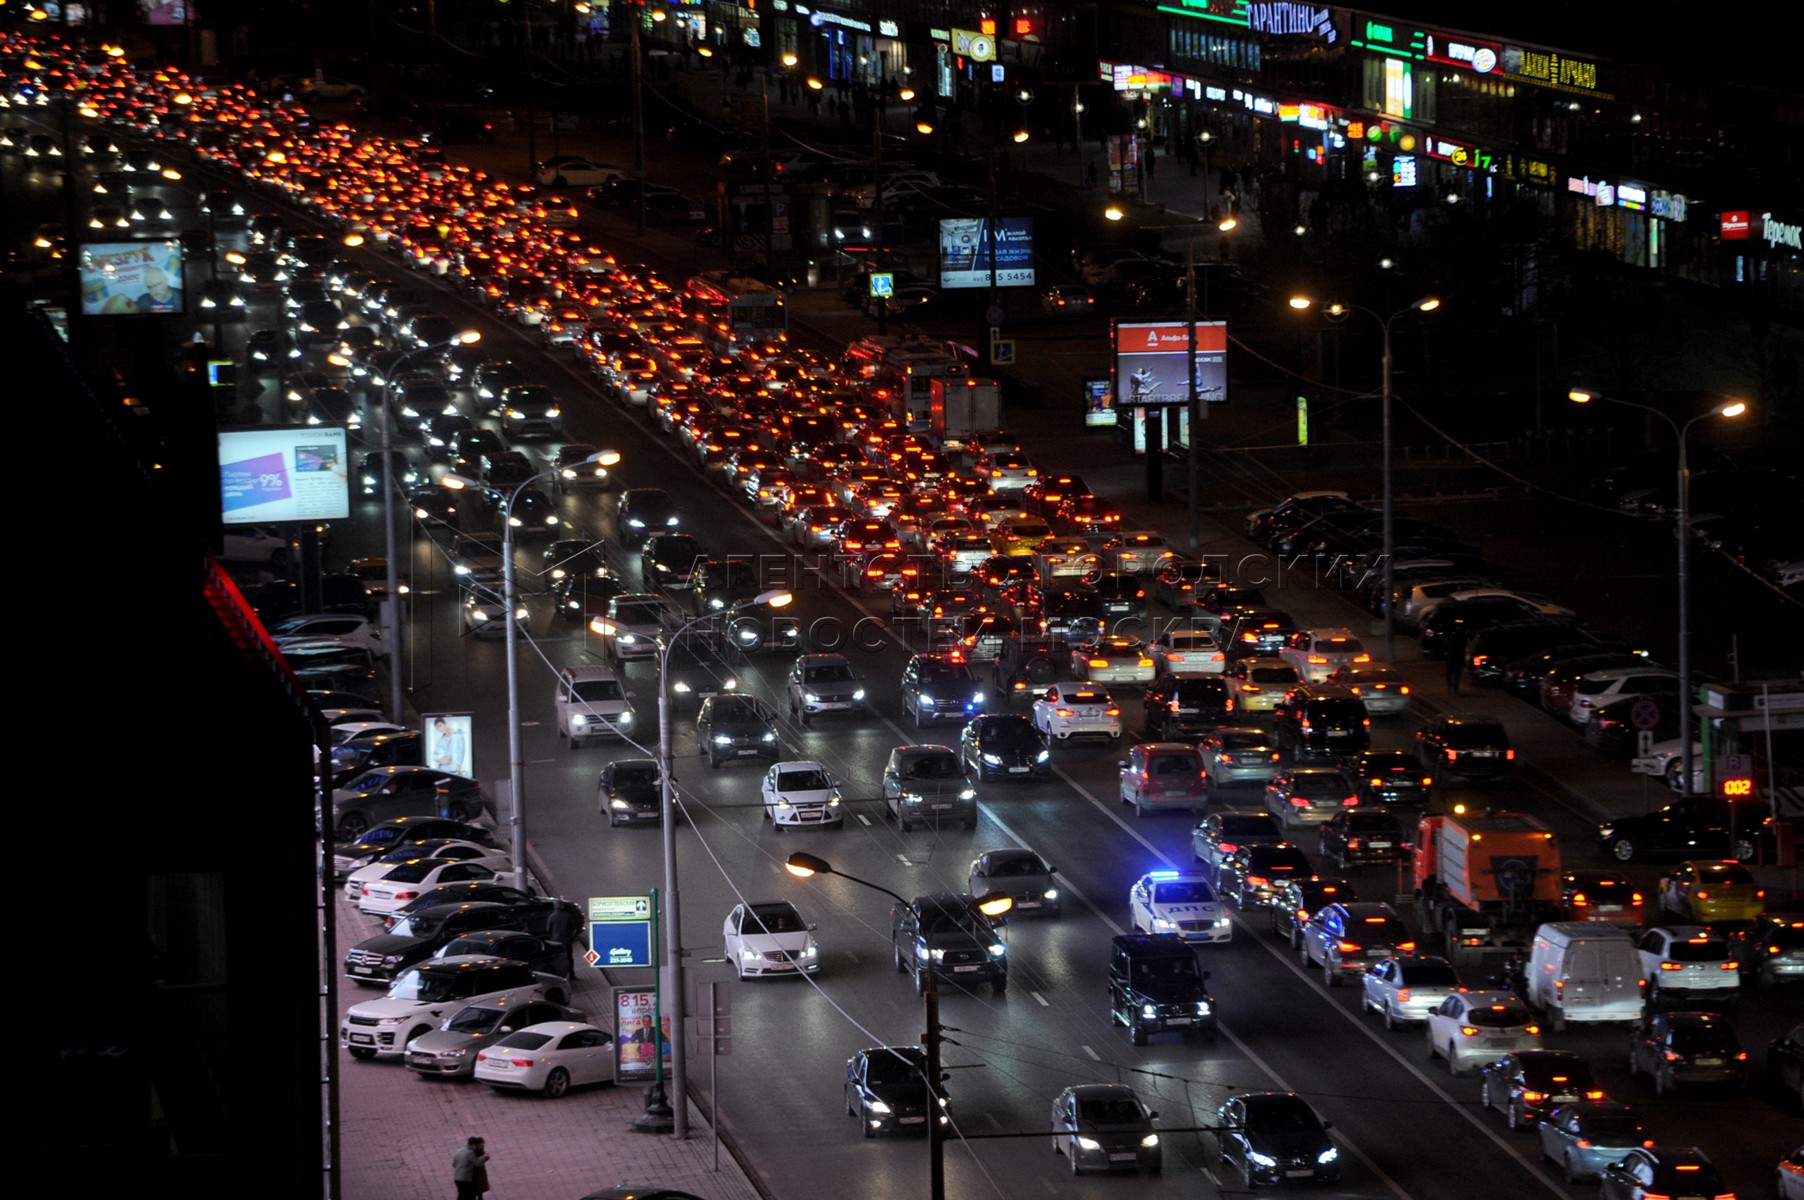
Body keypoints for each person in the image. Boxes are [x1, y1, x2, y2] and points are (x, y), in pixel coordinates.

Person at [1443, 624, 1468, 695]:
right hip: (1458, 658)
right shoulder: (1462, 639)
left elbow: (1444, 647)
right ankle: (1454, 688)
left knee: (1449, 673)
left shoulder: (1450, 638)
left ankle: (1450, 686)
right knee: (1456, 674)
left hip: (1451, 658)